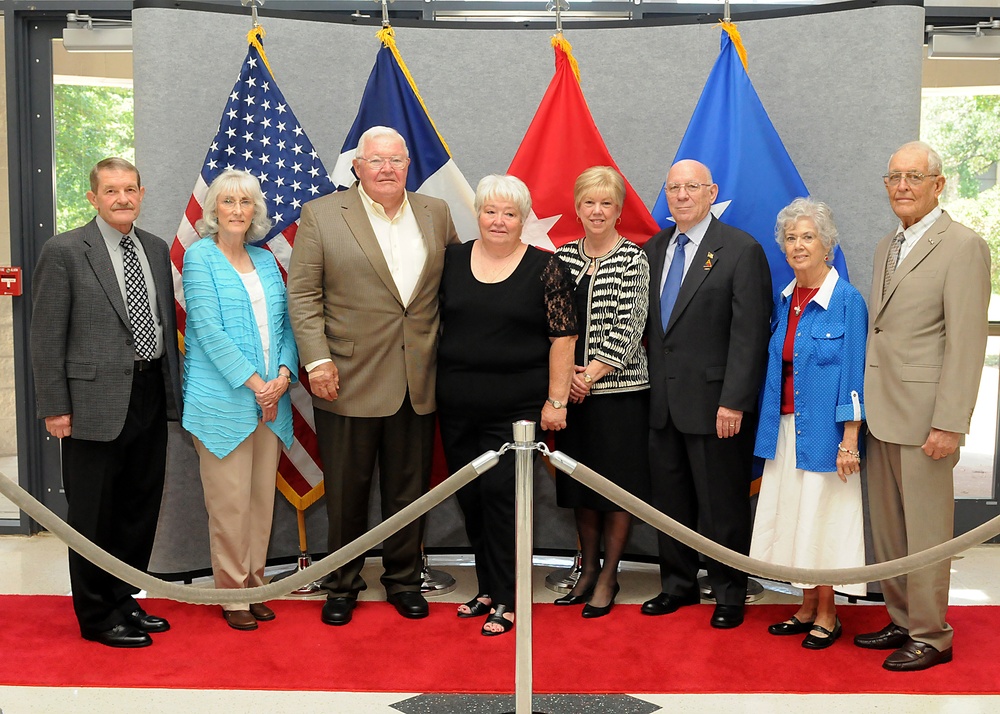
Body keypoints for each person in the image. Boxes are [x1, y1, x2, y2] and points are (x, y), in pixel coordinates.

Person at [287, 126, 460, 627]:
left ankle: (404, 580)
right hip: (345, 377)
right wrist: (317, 361)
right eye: (376, 160)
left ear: (409, 165)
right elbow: (302, 295)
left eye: (396, 160)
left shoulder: (436, 213)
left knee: (409, 491)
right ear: (357, 167)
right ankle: (342, 583)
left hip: (419, 378)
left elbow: (454, 287)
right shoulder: (322, 214)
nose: (387, 168)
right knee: (347, 493)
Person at [30, 157, 182, 648]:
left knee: (139, 507)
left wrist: (170, 397)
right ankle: (96, 617)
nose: (122, 198)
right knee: (94, 513)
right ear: (93, 197)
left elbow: (161, 325)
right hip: (90, 402)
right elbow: (46, 336)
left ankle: (124, 598)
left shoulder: (155, 249)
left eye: (130, 189)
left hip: (149, 394)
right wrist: (56, 406)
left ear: (142, 193)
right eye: (111, 191)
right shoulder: (65, 251)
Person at [854, 141, 990, 671]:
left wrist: (950, 423)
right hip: (883, 413)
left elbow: (966, 342)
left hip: (928, 418)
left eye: (914, 176)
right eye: (894, 177)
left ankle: (932, 634)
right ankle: (902, 617)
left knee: (928, 531)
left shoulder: (963, 246)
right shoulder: (888, 243)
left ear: (939, 184)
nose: (902, 186)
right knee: (890, 530)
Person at [438, 174, 577, 636]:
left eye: (510, 213)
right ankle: (486, 588)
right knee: (471, 499)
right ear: (477, 214)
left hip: (516, 411)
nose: (498, 221)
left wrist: (556, 400)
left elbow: (563, 339)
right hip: (457, 403)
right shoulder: (451, 260)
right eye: (490, 211)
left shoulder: (548, 268)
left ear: (523, 219)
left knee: (503, 501)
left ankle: (509, 597)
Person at [642, 159, 772, 629]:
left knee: (722, 507)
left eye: (691, 187)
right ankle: (676, 585)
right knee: (669, 504)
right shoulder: (654, 249)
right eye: (673, 187)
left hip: (718, 406)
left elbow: (750, 335)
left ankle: (728, 592)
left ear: (711, 192)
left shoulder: (740, 249)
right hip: (662, 405)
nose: (680, 196)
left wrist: (734, 401)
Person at [181, 170, 298, 631]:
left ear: (255, 212)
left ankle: (256, 586)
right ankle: (232, 595)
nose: (236, 210)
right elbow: (208, 331)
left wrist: (284, 376)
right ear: (214, 210)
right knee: (228, 504)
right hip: (222, 403)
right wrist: (258, 385)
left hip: (273, 401)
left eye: (245, 203)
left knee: (259, 502)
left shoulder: (266, 260)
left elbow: (286, 326)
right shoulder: (199, 258)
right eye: (227, 202)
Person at [749, 198, 868, 649]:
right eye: (791, 238)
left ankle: (828, 613)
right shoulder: (787, 298)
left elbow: (854, 372)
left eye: (808, 237)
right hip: (782, 429)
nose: (798, 246)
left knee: (822, 519)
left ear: (827, 246)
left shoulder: (846, 300)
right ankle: (804, 604)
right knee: (793, 514)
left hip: (827, 432)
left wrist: (850, 439)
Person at [552, 166, 650, 619]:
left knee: (614, 490)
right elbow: (551, 323)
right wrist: (563, 381)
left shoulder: (633, 258)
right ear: (577, 208)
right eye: (589, 202)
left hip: (619, 396)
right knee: (580, 488)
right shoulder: (563, 257)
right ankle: (586, 570)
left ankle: (609, 576)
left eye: (606, 203)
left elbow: (630, 329)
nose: (597, 211)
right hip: (571, 397)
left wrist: (585, 377)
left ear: (618, 210)